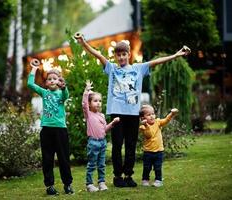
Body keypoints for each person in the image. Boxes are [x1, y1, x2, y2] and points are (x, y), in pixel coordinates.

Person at [75, 32, 190, 187]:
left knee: (130, 145)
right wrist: (83, 43)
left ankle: (128, 175)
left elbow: (157, 61)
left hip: (132, 114)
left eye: (124, 54)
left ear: (129, 54)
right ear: (115, 56)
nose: (121, 58)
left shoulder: (139, 68)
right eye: (118, 55)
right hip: (116, 114)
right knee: (117, 146)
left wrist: (176, 55)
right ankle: (117, 177)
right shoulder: (112, 69)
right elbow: (97, 54)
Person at [27, 63, 74, 196]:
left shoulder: (61, 93)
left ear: (59, 81)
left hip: (60, 130)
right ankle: (50, 186)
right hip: (46, 130)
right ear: (46, 83)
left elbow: (66, 95)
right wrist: (34, 69)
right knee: (47, 159)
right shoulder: (44, 92)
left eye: (55, 78)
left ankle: (68, 184)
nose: (52, 80)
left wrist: (64, 87)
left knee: (64, 158)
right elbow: (30, 85)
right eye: (49, 79)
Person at [82, 80, 120, 192]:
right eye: (95, 101)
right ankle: (89, 184)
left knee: (101, 164)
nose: (98, 103)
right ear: (89, 103)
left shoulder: (102, 115)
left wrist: (112, 123)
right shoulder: (88, 114)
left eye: (99, 101)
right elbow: (84, 104)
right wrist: (86, 91)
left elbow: (104, 130)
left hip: (102, 142)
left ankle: (101, 182)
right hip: (93, 142)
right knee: (92, 164)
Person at [139, 105, 179, 187]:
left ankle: (158, 180)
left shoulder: (158, 122)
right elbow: (149, 135)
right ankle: (145, 179)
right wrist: (146, 125)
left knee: (158, 167)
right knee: (147, 167)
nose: (152, 116)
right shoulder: (143, 126)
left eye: (153, 114)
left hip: (159, 151)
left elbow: (166, 120)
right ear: (143, 118)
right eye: (149, 115)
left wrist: (171, 114)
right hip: (148, 152)